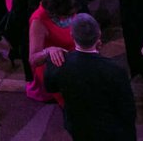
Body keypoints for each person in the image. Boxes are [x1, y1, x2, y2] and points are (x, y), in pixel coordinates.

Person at [47, 12, 137, 141]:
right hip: (109, 129)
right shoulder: (115, 70)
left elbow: (50, 86)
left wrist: (48, 51)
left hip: (78, 126)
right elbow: (127, 108)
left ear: (72, 35)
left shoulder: (59, 64)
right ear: (99, 34)